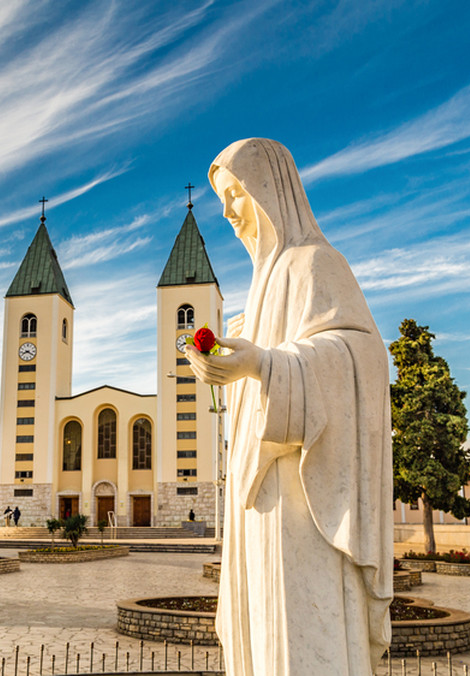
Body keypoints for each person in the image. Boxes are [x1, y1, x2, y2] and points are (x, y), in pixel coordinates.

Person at [187, 138, 393, 675]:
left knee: (300, 631)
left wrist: (264, 364)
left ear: (269, 192)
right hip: (258, 499)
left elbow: (362, 358)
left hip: (303, 497)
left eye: (236, 194)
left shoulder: (315, 264)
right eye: (223, 200)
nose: (230, 211)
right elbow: (260, 377)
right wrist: (233, 367)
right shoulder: (258, 287)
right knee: (260, 627)